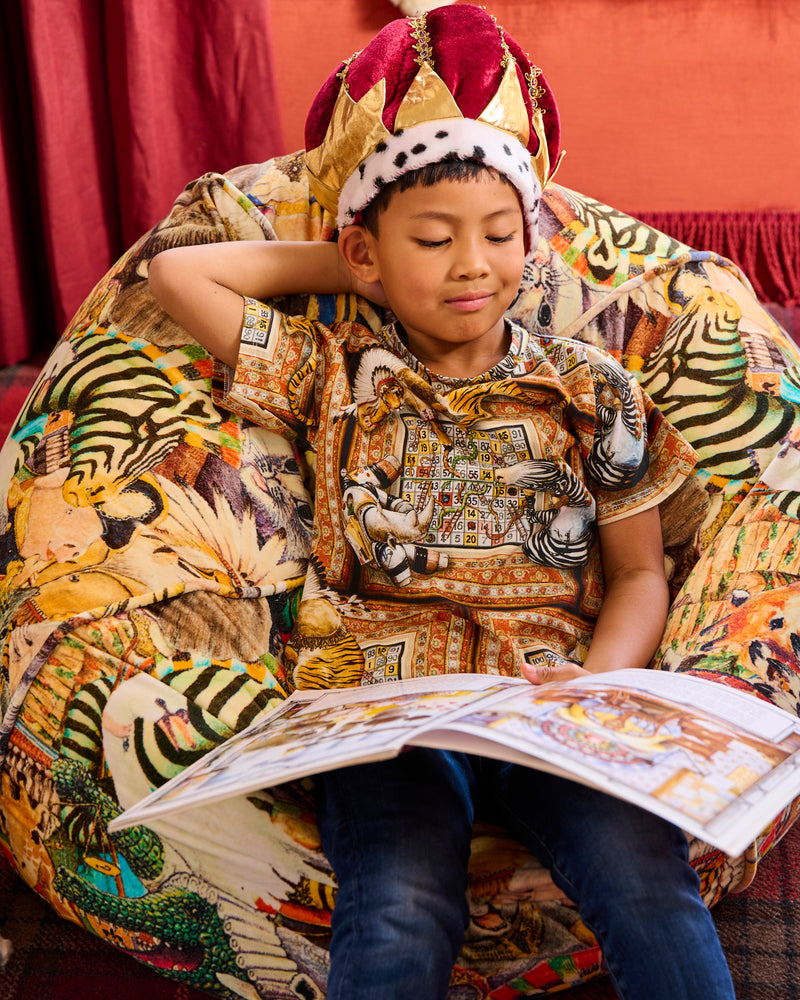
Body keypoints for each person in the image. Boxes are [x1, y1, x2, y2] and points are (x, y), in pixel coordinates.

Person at [147, 6, 735, 998]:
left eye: (500, 234)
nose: (472, 264)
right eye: (433, 239)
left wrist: (591, 690)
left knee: (644, 874)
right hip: (385, 714)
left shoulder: (591, 387)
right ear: (365, 253)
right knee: (398, 904)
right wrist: (363, 268)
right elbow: (178, 272)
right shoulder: (329, 371)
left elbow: (640, 571)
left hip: (548, 705)